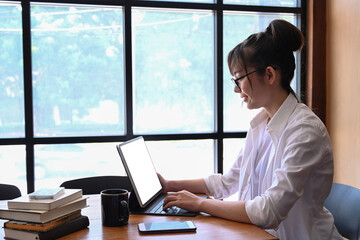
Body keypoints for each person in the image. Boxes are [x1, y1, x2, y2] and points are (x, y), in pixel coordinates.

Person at [158, 19, 343, 240]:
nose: (236, 89)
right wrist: (169, 185)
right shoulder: (261, 124)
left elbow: (269, 211)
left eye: (240, 78)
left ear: (270, 75)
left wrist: (200, 203)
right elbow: (229, 181)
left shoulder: (305, 131)